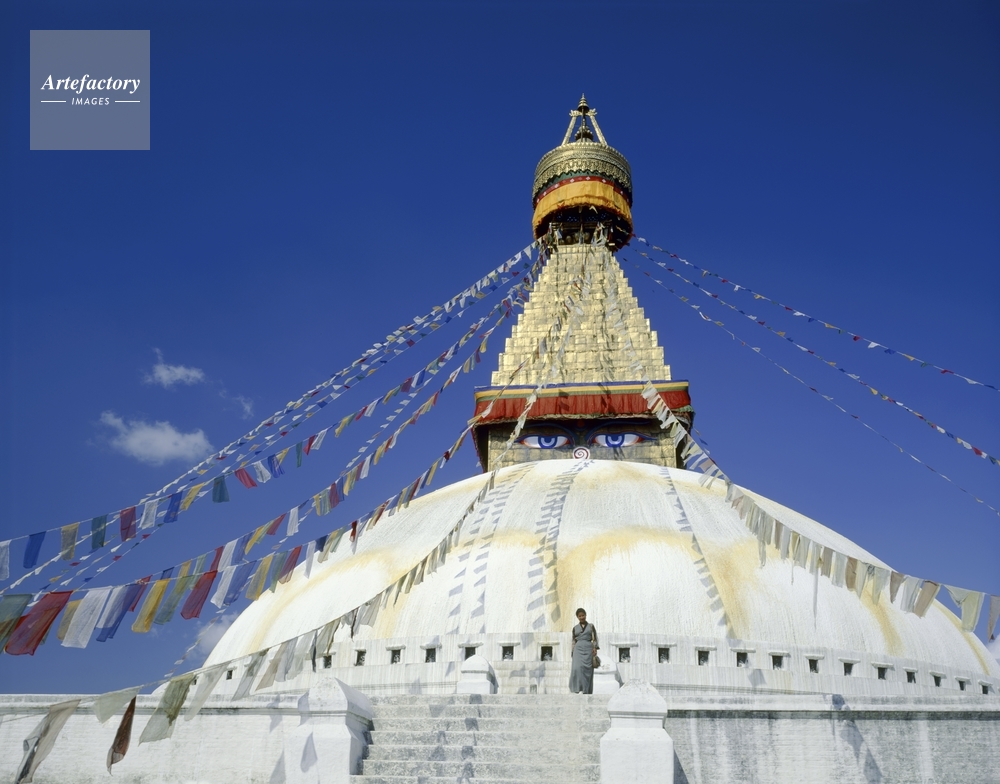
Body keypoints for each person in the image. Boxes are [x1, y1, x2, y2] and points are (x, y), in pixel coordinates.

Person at [569, 607, 599, 694]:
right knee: (576, 668)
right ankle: (577, 688)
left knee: (587, 670)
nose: (582, 617)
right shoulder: (575, 628)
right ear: (577, 617)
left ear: (586, 615)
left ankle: (586, 690)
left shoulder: (591, 626)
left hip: (588, 648)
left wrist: (595, 648)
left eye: (583, 615)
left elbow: (595, 638)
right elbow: (573, 641)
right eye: (580, 616)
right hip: (578, 649)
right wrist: (572, 651)